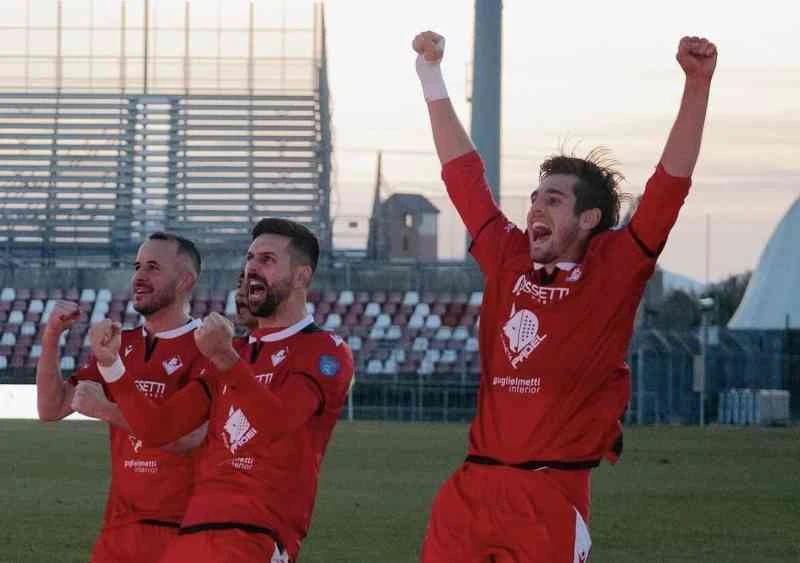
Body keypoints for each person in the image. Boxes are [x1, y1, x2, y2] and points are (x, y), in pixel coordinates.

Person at [412, 31, 717, 562]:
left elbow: (669, 187)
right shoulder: (507, 256)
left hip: (550, 494)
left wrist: (697, 85)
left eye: (552, 200)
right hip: (472, 490)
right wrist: (430, 75)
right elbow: (463, 178)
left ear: (589, 218)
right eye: (534, 198)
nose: (535, 208)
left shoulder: (614, 270)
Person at [87, 218, 354, 563]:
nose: (252, 268)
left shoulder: (324, 350)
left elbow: (276, 424)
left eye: (267, 260)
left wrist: (226, 358)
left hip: (257, 533)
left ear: (301, 276)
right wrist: (112, 365)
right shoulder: (235, 352)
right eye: (250, 258)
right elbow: (159, 428)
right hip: (194, 531)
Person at [35, 232, 208, 563]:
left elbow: (187, 436)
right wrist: (52, 334)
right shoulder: (119, 344)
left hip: (184, 529)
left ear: (185, 281)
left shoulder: (208, 347)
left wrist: (105, 409)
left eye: (153, 267)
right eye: (137, 266)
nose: (139, 276)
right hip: (118, 531)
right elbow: (50, 408)